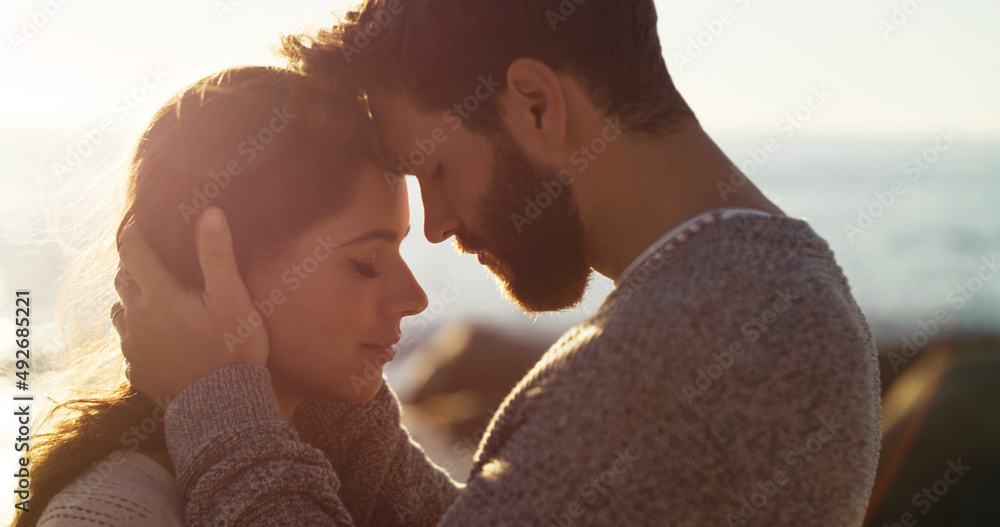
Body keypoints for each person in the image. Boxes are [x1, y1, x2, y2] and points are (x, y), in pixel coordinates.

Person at [115, 0, 883, 525]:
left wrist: (219, 406)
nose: (439, 225)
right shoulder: (772, 292)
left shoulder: (687, 351)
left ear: (537, 105)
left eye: (438, 170)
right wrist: (318, 390)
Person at [20, 65, 437, 526]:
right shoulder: (108, 514)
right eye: (367, 263)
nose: (414, 297)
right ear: (215, 269)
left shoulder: (355, 450)